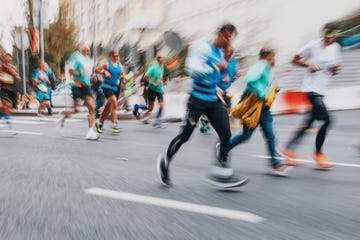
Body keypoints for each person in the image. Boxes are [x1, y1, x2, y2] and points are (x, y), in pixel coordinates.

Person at [156, 23, 249, 188]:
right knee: (185, 136)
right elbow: (191, 69)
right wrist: (215, 65)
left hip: (213, 99)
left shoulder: (223, 54)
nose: (228, 42)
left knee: (226, 134)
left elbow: (223, 82)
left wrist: (227, 64)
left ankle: (222, 173)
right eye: (226, 37)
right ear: (219, 34)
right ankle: (165, 161)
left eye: (230, 39)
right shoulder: (201, 47)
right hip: (197, 99)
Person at [279, 27, 342, 169]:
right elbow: (294, 60)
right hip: (311, 90)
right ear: (323, 34)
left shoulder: (335, 48)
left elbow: (335, 71)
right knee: (328, 120)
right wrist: (308, 64)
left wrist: (334, 69)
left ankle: (287, 150)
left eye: (330, 37)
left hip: (321, 90)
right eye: (325, 37)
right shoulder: (312, 45)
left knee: (308, 123)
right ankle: (318, 154)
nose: (327, 40)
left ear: (335, 36)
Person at [228, 47, 293, 176]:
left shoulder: (267, 69)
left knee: (270, 134)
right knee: (246, 136)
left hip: (263, 107)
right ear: (266, 57)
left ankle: (275, 164)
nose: (274, 60)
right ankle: (224, 147)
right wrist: (262, 93)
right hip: (255, 105)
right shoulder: (262, 65)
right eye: (272, 57)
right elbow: (250, 79)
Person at [61, 43, 99, 140]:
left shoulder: (88, 59)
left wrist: (93, 77)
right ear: (81, 48)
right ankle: (63, 118)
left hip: (86, 85)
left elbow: (88, 72)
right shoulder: (76, 56)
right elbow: (70, 69)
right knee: (83, 108)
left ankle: (90, 131)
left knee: (88, 108)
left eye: (88, 49)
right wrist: (75, 71)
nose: (87, 50)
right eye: (86, 48)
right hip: (77, 84)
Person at [95, 50, 124, 133]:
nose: (117, 57)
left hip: (115, 88)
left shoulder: (119, 65)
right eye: (115, 56)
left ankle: (99, 123)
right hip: (106, 86)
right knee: (114, 103)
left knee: (107, 107)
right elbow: (96, 69)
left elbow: (122, 74)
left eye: (118, 56)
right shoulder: (106, 63)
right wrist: (104, 71)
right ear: (111, 56)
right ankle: (114, 124)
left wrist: (122, 78)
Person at [133, 56, 166, 128]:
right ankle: (137, 107)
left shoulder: (162, 66)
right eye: (162, 58)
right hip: (152, 89)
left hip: (159, 89)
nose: (163, 59)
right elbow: (145, 77)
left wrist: (162, 82)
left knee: (161, 105)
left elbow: (160, 77)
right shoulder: (153, 68)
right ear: (158, 59)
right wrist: (150, 83)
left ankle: (157, 122)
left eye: (163, 58)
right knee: (150, 108)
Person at [0, 52, 21, 130]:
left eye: (8, 56)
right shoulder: (0, 67)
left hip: (12, 91)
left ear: (10, 58)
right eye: (4, 56)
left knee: (4, 109)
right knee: (7, 107)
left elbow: (18, 78)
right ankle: (10, 129)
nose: (6, 58)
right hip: (3, 89)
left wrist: (10, 70)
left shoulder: (13, 67)